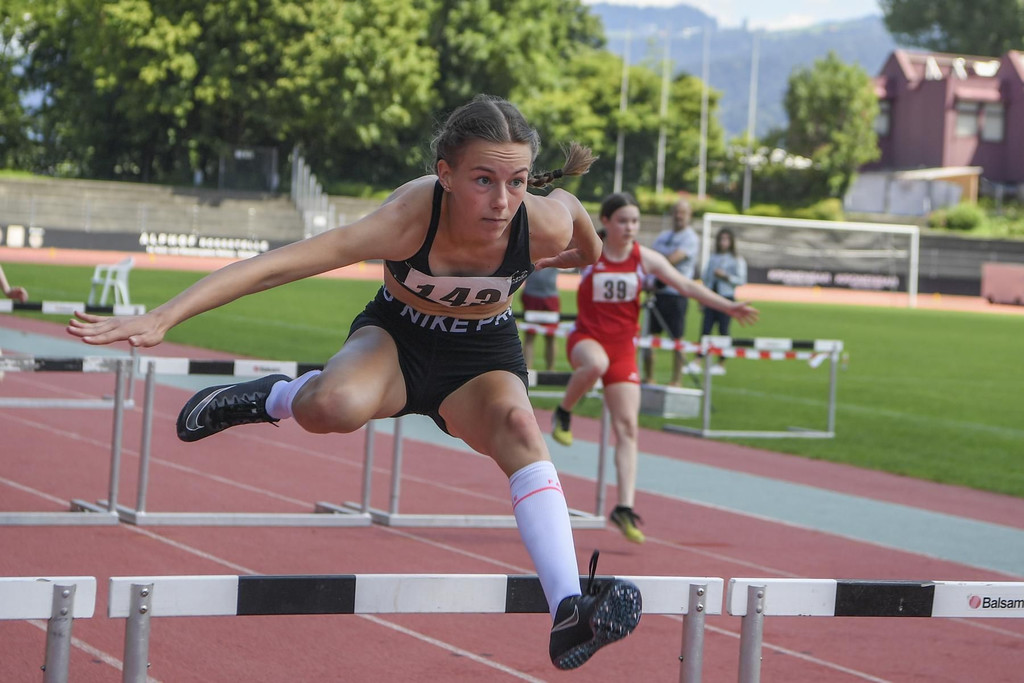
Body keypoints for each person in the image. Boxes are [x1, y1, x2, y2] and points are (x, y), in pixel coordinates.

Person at [66, 95, 641, 670]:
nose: (501, 202)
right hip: (398, 337)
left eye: (516, 182)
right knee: (333, 406)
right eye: (483, 180)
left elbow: (580, 227)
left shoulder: (541, 223)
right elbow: (279, 265)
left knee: (521, 427)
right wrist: (164, 316)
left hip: (481, 356)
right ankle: (275, 396)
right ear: (445, 174)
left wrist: (574, 256)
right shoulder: (408, 219)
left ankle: (568, 609)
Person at [550, 193, 757, 543]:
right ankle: (563, 412)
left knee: (629, 428)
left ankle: (624, 507)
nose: (630, 228)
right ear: (606, 222)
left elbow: (686, 285)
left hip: (623, 350)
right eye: (623, 221)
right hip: (587, 339)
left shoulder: (644, 258)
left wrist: (728, 306)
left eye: (635, 221)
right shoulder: (590, 253)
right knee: (596, 364)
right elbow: (547, 258)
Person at [641, 198, 699, 386]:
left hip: (676, 295)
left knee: (677, 339)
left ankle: (676, 380)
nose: (679, 216)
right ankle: (649, 377)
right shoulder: (663, 236)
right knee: (649, 337)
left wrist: (658, 261)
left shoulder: (690, 238)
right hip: (657, 294)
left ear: (689, 215)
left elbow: (670, 260)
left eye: (683, 212)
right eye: (676, 212)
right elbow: (648, 257)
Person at [697, 227, 748, 376]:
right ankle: (698, 360)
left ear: (731, 242)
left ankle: (721, 363)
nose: (723, 242)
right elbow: (706, 278)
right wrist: (702, 297)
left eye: (726, 239)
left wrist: (725, 276)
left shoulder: (737, 259)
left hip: (726, 298)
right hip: (711, 297)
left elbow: (741, 280)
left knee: (723, 330)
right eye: (721, 239)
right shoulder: (713, 257)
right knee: (705, 330)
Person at [519, 267, 560, 371]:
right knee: (530, 335)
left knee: (550, 335)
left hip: (549, 295)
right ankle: (528, 370)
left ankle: (551, 370)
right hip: (532, 295)